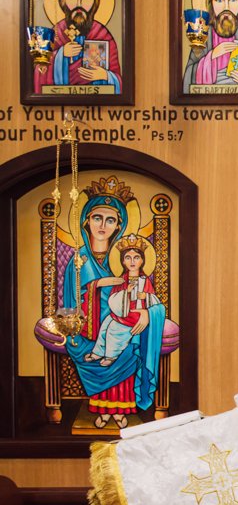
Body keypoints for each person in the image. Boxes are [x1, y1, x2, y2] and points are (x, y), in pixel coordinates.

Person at [59, 179, 167, 429]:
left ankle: (122, 411)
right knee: (93, 348)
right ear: (86, 220)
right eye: (97, 218)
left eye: (110, 220)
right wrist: (98, 284)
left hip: (127, 325)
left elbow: (150, 299)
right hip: (87, 328)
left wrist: (146, 315)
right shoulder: (79, 261)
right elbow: (70, 302)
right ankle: (101, 409)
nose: (102, 225)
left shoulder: (126, 258)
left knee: (128, 346)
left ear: (119, 224)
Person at [35, 0, 123, 94]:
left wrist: (106, 75)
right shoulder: (53, 33)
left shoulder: (103, 34)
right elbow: (39, 72)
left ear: (95, 2)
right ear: (63, 1)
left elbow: (119, 80)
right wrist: (60, 55)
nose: (79, 3)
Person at [84, 237, 157, 368]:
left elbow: (153, 300)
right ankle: (98, 352)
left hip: (136, 315)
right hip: (121, 312)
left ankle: (111, 355)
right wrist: (126, 293)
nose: (132, 261)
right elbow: (113, 298)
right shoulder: (122, 280)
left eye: (136, 257)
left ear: (142, 261)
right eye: (128, 258)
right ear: (123, 261)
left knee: (114, 328)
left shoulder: (145, 280)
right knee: (106, 323)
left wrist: (145, 295)